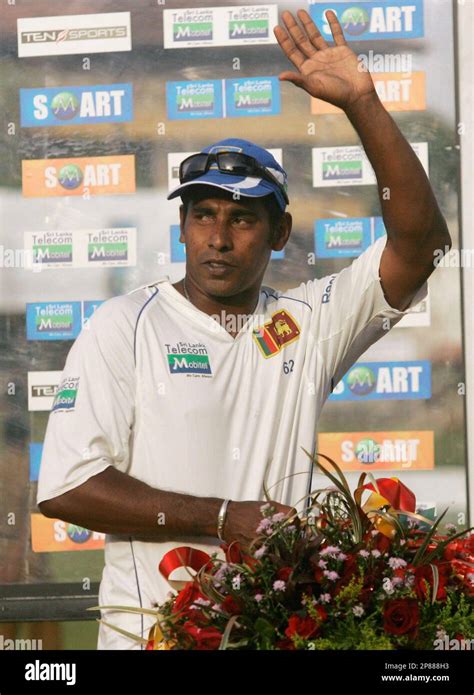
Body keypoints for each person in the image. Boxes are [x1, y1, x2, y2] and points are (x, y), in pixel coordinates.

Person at [37, 9, 451, 649]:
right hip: (150, 641)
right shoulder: (123, 326)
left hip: (269, 637)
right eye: (203, 216)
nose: (219, 239)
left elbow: (421, 244)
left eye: (243, 219)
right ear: (181, 228)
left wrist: (363, 103)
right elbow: (66, 488)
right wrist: (222, 519)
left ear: (280, 233)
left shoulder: (304, 324)